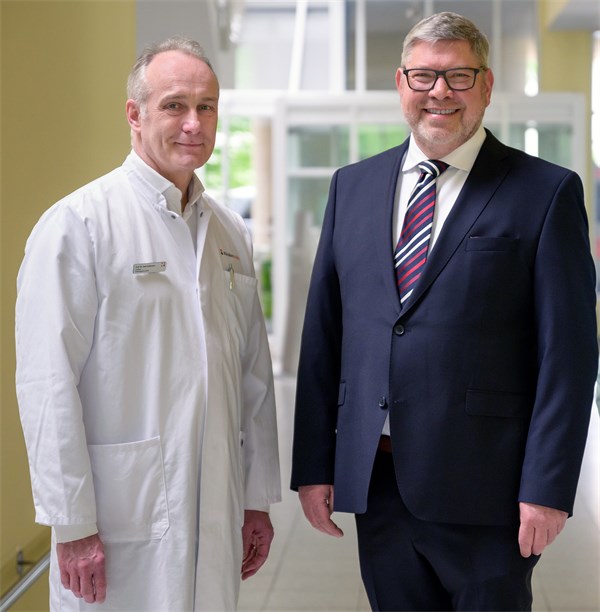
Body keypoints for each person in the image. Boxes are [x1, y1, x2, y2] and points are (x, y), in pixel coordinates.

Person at [291, 11, 597, 612]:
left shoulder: (545, 191)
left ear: (485, 86)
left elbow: (570, 356)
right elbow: (325, 337)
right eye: (425, 76)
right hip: (378, 482)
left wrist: (549, 488)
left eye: (459, 77)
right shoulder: (351, 186)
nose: (440, 92)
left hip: (490, 487)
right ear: (400, 84)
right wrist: (313, 465)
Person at [16, 37, 281, 611]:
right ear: (134, 115)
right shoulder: (78, 225)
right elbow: (46, 386)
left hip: (216, 512)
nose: (193, 123)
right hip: (119, 521)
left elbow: (253, 379)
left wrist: (256, 499)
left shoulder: (230, 234)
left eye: (206, 106)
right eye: (174, 105)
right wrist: (70, 522)